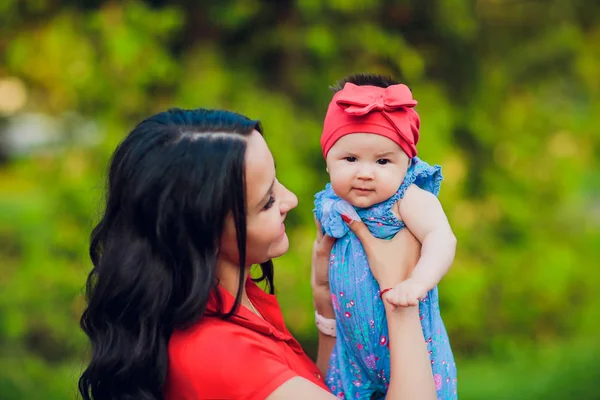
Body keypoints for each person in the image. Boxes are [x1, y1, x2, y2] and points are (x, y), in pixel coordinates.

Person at [77, 107, 437, 400]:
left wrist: (327, 309)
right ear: (205, 232)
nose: (291, 200)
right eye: (267, 201)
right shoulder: (221, 356)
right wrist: (399, 298)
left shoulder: (236, 303)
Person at [314, 74, 458, 399]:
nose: (365, 172)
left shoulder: (406, 198)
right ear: (328, 162)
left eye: (382, 161)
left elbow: (441, 237)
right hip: (352, 358)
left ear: (407, 164)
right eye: (350, 159)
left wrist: (418, 282)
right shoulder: (331, 205)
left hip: (413, 352)